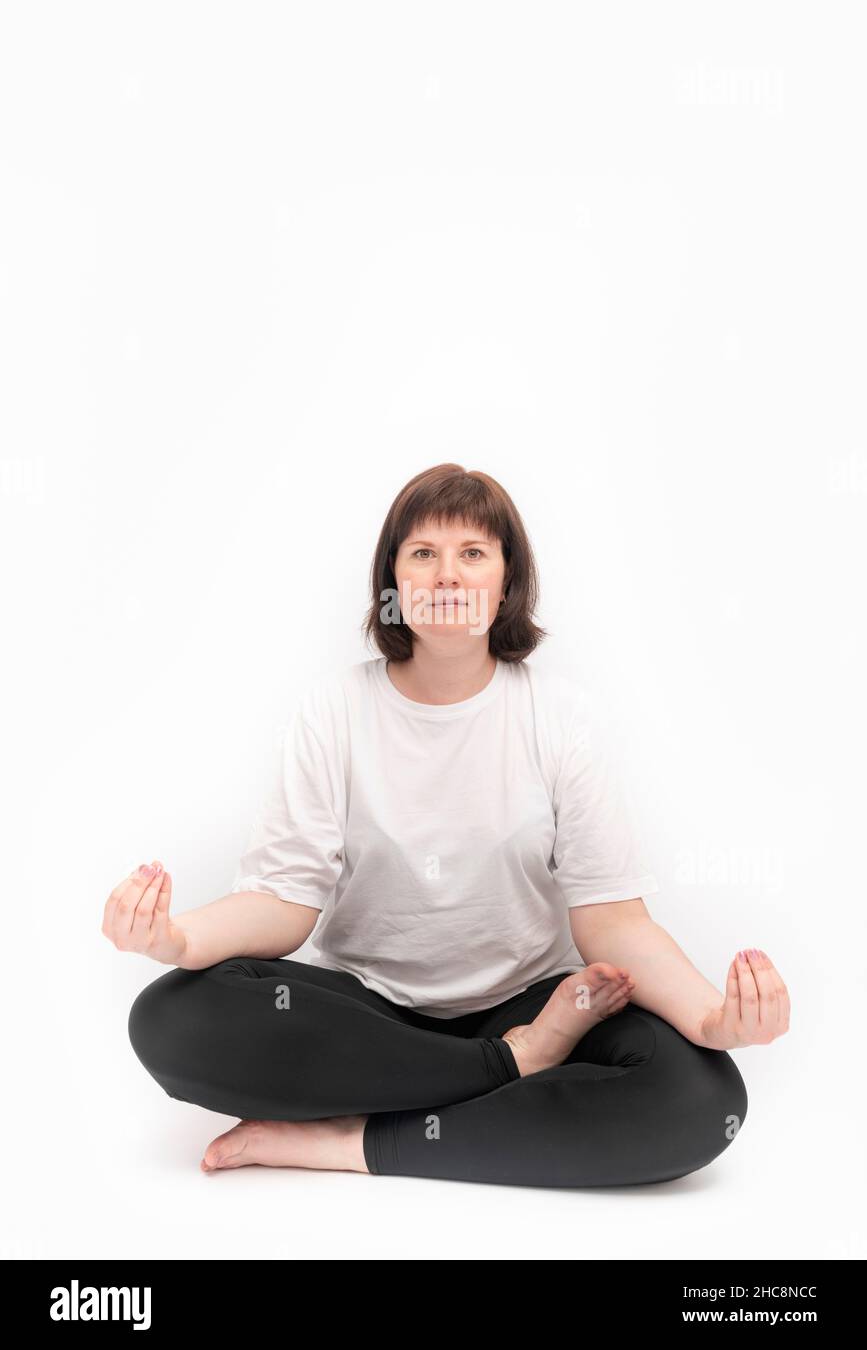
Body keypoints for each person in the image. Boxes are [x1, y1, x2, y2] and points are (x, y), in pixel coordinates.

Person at [110, 463, 789, 1188]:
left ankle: (354, 1141)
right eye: (422, 554)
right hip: (372, 1016)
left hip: (529, 997)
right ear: (393, 581)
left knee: (698, 1096)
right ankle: (510, 1068)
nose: (446, 576)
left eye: (472, 554)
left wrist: (713, 1020)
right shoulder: (333, 710)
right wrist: (178, 939)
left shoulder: (561, 718)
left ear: (505, 582)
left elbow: (615, 921)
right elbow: (283, 901)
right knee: (168, 1019)